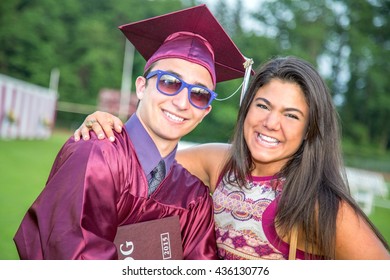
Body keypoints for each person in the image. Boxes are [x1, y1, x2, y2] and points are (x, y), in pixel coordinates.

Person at [75, 56, 390, 259]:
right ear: (247, 108)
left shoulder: (321, 205)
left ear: (310, 130)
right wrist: (106, 127)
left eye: (291, 115)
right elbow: (138, 166)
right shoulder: (217, 162)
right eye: (263, 106)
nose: (271, 123)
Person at [13, 4, 253, 260]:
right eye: (170, 83)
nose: (183, 103)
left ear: (205, 111)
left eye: (199, 94)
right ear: (141, 87)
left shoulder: (194, 198)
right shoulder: (96, 154)